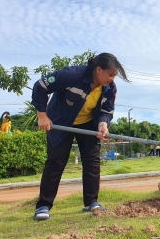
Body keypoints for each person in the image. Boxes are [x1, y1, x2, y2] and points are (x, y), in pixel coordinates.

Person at [31, 53, 129, 220]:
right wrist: (42, 115)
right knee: (56, 162)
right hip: (61, 122)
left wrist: (103, 124)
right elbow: (40, 85)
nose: (113, 79)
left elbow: (107, 110)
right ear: (99, 70)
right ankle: (43, 206)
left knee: (92, 160)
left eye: (115, 76)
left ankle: (92, 202)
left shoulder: (109, 88)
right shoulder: (72, 75)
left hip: (87, 124)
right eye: (111, 74)